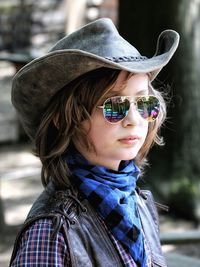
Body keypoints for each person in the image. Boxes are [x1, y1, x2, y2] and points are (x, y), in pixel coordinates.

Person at [9, 18, 179, 267]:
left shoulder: (138, 204)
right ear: (66, 118)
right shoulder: (51, 233)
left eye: (143, 103)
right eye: (115, 106)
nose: (134, 120)